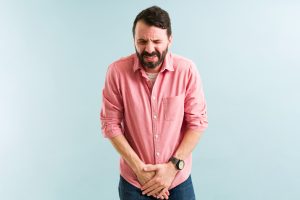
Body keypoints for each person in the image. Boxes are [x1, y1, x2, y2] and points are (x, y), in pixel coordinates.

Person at [100, 5, 208, 200]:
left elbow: (197, 123)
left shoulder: (187, 70)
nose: (149, 49)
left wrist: (172, 168)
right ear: (134, 40)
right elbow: (110, 124)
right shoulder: (117, 72)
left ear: (170, 40)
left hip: (177, 180)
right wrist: (139, 169)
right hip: (134, 182)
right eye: (142, 41)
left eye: (157, 41)